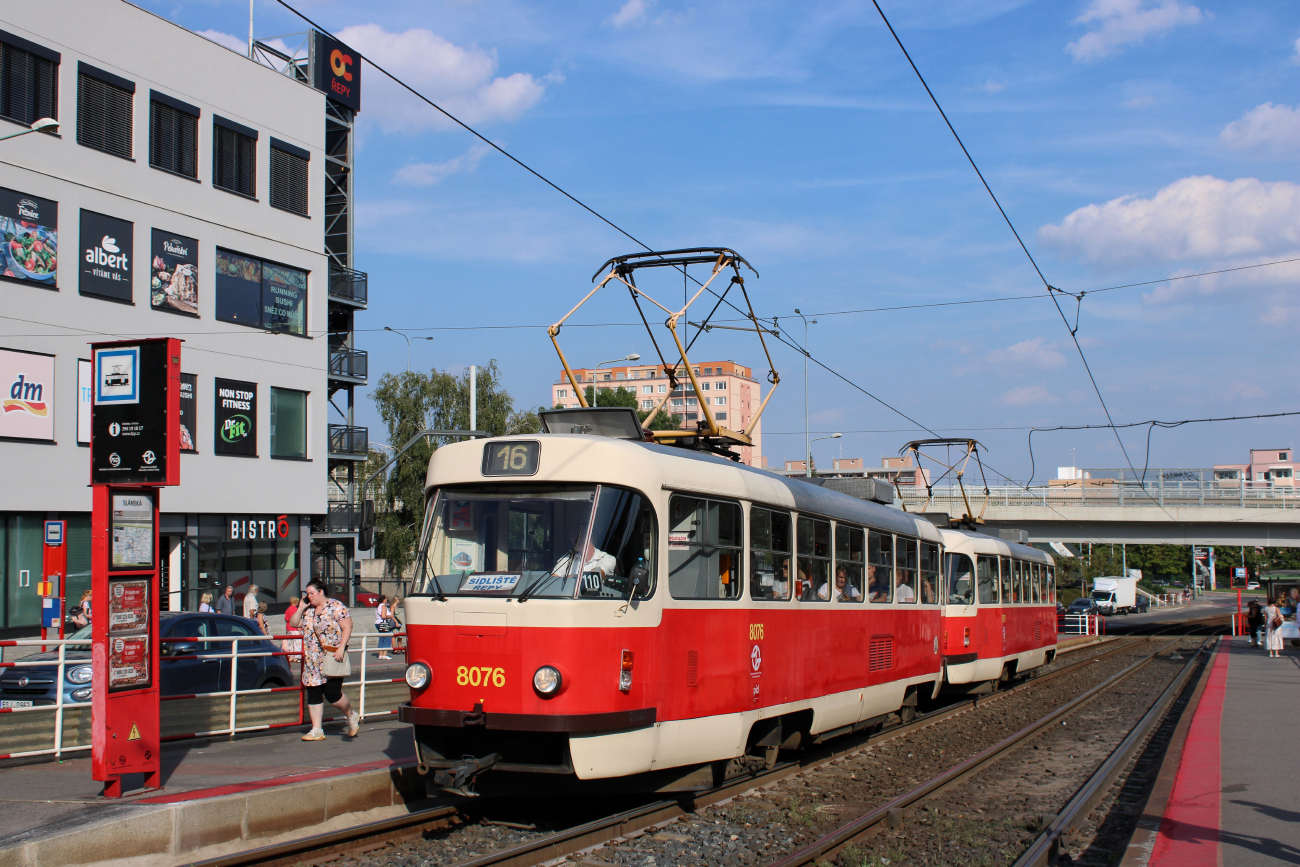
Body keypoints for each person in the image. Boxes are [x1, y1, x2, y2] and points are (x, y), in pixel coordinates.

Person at [291, 579, 360, 740]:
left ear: (321, 591)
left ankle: (351, 715)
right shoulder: (308, 610)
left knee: (332, 694)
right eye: (307, 594)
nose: (309, 597)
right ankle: (317, 730)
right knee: (314, 692)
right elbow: (294, 623)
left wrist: (342, 647)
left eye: (311, 593)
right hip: (312, 658)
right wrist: (301, 608)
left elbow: (347, 626)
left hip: (332, 655)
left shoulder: (335, 606)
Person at [282, 596, 302, 663]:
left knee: (290, 643)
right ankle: (297, 657)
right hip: (294, 628)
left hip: (288, 628)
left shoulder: (288, 609)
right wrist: (299, 629)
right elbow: (296, 620)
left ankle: (291, 656)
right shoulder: (295, 609)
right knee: (297, 643)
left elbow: (286, 618)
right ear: (296, 602)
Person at [375, 595, 394, 660]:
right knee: (387, 637)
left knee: (381, 638)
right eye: (386, 599)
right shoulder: (383, 606)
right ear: (384, 600)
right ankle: (384, 654)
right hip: (383, 623)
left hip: (377, 623)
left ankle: (380, 654)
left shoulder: (378, 606)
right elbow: (383, 616)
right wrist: (389, 616)